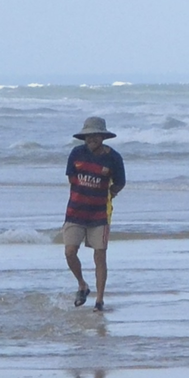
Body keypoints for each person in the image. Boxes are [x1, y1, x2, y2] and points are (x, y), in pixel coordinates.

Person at [63, 116, 125, 311]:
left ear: (102, 137)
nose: (91, 139)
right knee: (70, 252)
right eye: (88, 136)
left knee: (100, 256)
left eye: (95, 136)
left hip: (100, 214)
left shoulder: (113, 158)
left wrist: (110, 194)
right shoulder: (76, 154)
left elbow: (120, 182)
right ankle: (82, 284)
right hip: (75, 212)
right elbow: (71, 177)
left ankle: (99, 300)